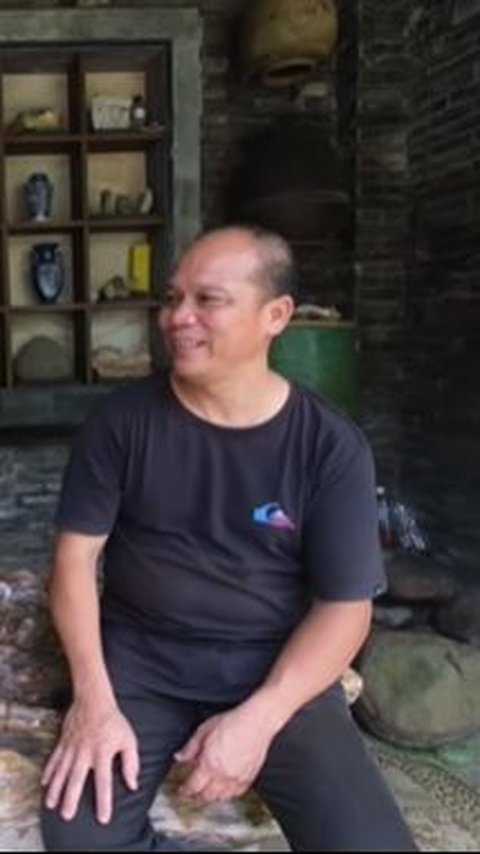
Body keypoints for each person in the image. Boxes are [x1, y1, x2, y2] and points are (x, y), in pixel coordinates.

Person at [41, 225, 417, 852]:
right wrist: (93, 701)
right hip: (141, 667)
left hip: (273, 669)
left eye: (207, 300)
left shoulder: (329, 447)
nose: (177, 318)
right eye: (172, 298)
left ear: (276, 316)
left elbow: (345, 609)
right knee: (80, 838)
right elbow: (73, 562)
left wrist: (260, 718)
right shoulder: (123, 423)